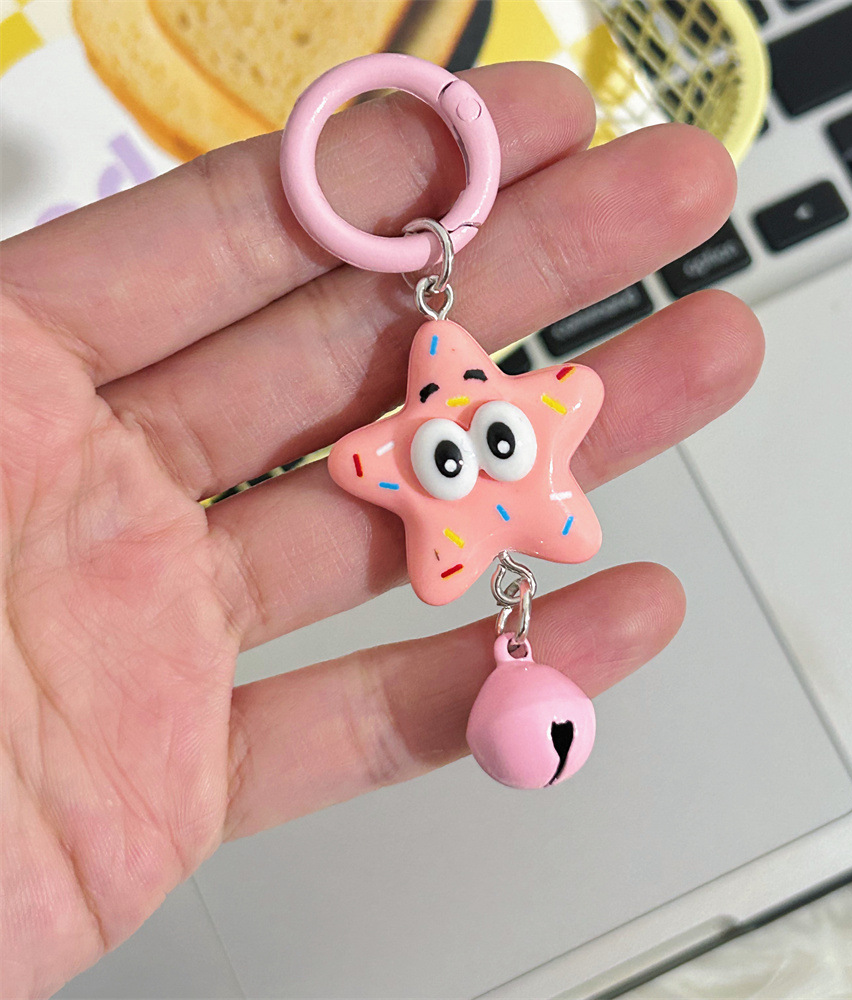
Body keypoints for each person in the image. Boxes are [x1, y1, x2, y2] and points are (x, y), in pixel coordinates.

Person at [0, 62, 763, 998]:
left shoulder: (528, 419)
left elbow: (563, 404)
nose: (483, 456)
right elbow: (381, 464)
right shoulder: (398, 456)